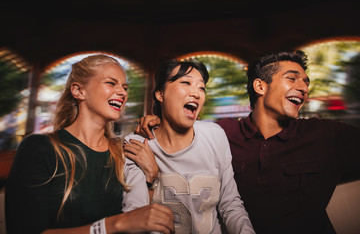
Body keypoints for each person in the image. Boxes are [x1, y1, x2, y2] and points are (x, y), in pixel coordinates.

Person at [135, 50, 360, 234]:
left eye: (305, 82)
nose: (303, 88)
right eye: (292, 78)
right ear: (260, 86)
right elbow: (177, 135)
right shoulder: (220, 134)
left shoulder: (327, 135)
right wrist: (159, 120)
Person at [5, 54, 174, 234]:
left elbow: (140, 219)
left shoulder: (125, 152)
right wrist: (114, 225)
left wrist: (150, 178)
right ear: (79, 91)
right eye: (111, 83)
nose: (123, 92)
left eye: (125, 87)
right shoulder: (39, 148)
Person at [124, 59, 255, 234]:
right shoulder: (138, 144)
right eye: (186, 83)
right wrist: (151, 178)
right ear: (160, 94)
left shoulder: (215, 135)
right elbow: (134, 219)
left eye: (201, 88)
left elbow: (230, 205)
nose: (196, 93)